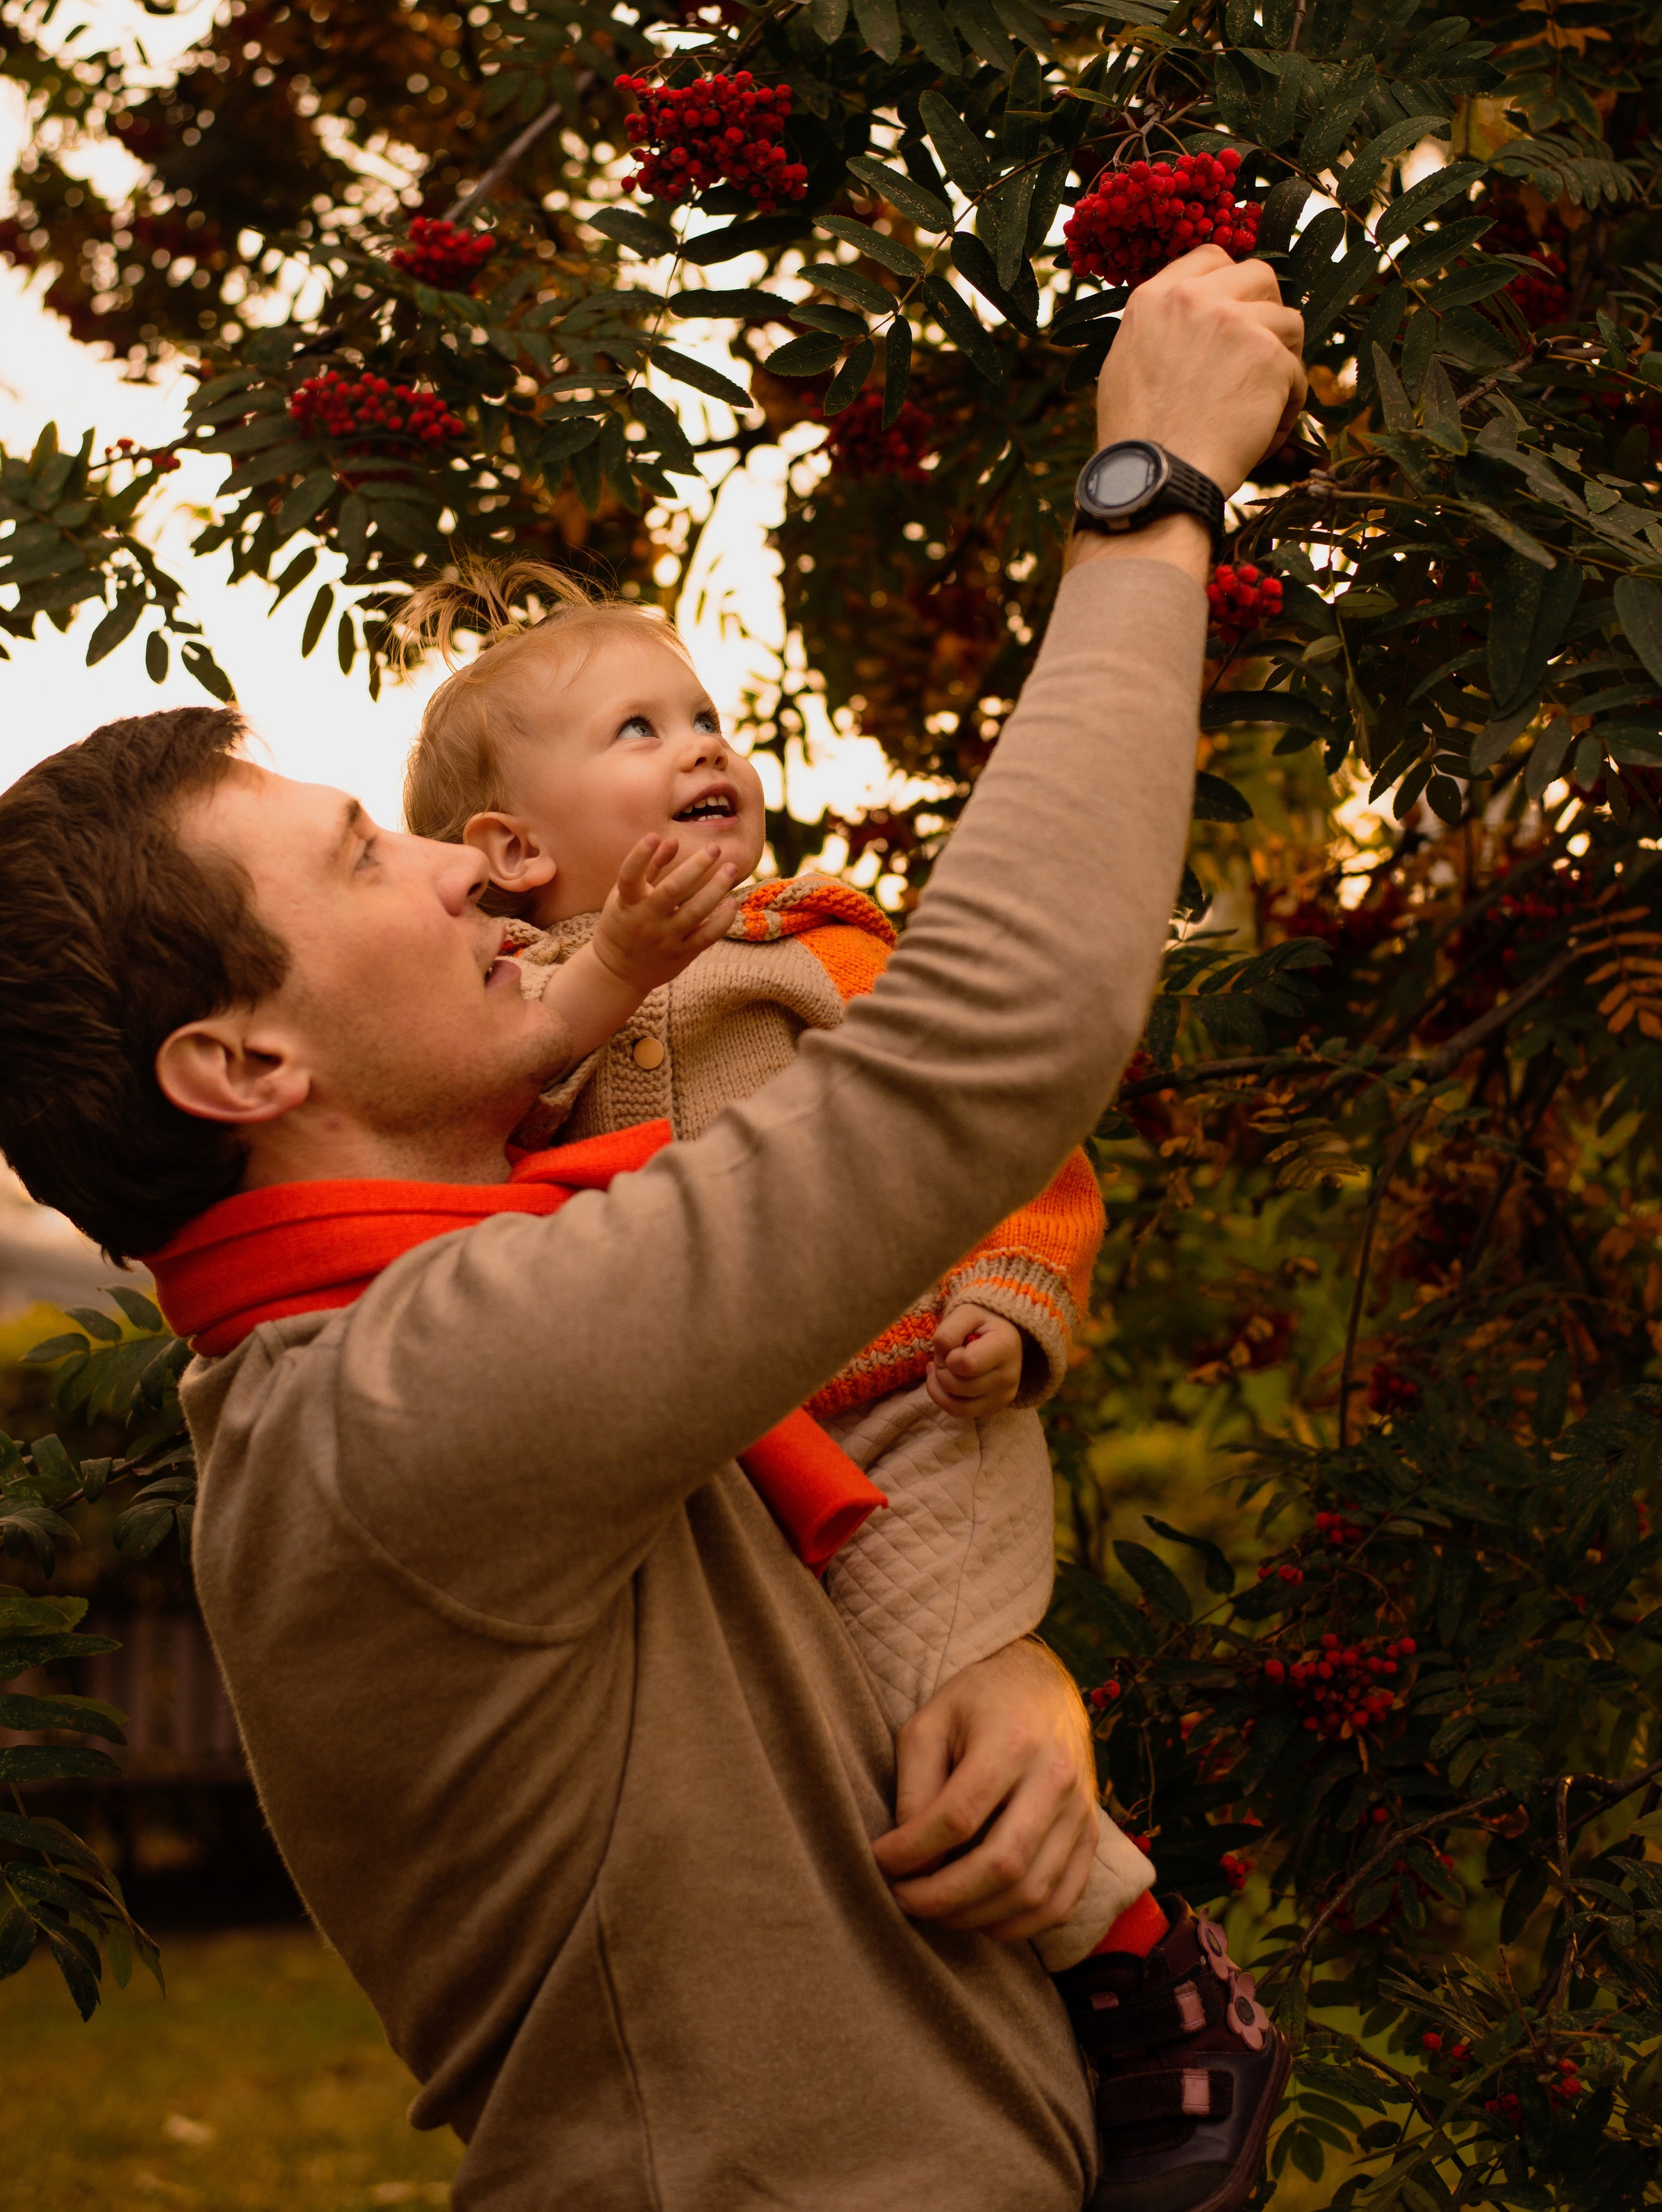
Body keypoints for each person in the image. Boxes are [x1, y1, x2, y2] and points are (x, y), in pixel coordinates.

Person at [0, 246, 1305, 2211]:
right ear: (243, 1059)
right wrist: (1153, 489)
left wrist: (989, 1664)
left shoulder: (431, 1347)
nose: (460, 869)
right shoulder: (406, 1397)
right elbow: (990, 1044)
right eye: (370, 851)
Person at [392, 559, 1152, 1976]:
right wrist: (598, 967)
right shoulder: (503, 1019)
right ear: (508, 851)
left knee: (928, 1697)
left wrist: (1012, 1294)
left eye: (703, 717)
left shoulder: (804, 944)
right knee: (787, 1746)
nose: (702, 747)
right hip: (721, 1465)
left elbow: (984, 1115)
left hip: (910, 1401)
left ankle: (1147, 1973)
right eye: (636, 731)